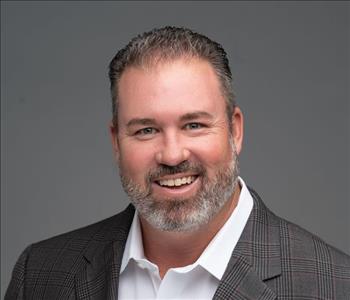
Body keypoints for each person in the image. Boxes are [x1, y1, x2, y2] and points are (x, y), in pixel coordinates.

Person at [5, 26, 350, 300]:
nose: (172, 155)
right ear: (116, 142)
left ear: (236, 130)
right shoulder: (40, 273)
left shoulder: (334, 286)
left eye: (194, 125)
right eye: (146, 130)